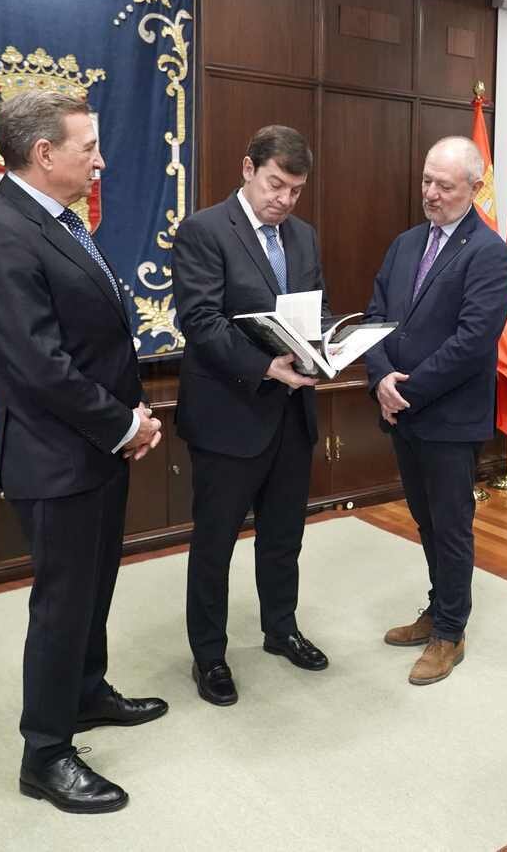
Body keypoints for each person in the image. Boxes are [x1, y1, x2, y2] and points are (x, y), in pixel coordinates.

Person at [0, 89, 167, 814]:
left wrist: (123, 420)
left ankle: (84, 695)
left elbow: (94, 337)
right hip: (56, 456)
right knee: (61, 602)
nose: (100, 159)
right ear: (44, 154)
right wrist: (124, 425)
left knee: (95, 585)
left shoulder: (59, 220)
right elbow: (39, 364)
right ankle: (44, 751)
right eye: (89, 146)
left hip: (95, 446)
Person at [172, 125, 329, 707]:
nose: (283, 200)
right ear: (247, 168)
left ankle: (280, 628)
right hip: (229, 413)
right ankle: (208, 654)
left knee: (284, 536)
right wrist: (268, 369)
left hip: (292, 416)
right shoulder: (205, 230)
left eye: (295, 190)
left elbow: (315, 308)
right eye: (275, 184)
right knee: (215, 543)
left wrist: (328, 347)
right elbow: (201, 321)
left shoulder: (304, 237)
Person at [363, 136, 507, 686]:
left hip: (447, 417)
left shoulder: (490, 253)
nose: (430, 193)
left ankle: (451, 631)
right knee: (424, 520)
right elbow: (375, 316)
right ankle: (437, 607)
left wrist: (410, 388)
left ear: (474, 189)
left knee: (451, 525)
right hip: (402, 411)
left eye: (443, 186)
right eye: (426, 180)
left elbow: (474, 342)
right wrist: (380, 377)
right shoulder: (405, 244)